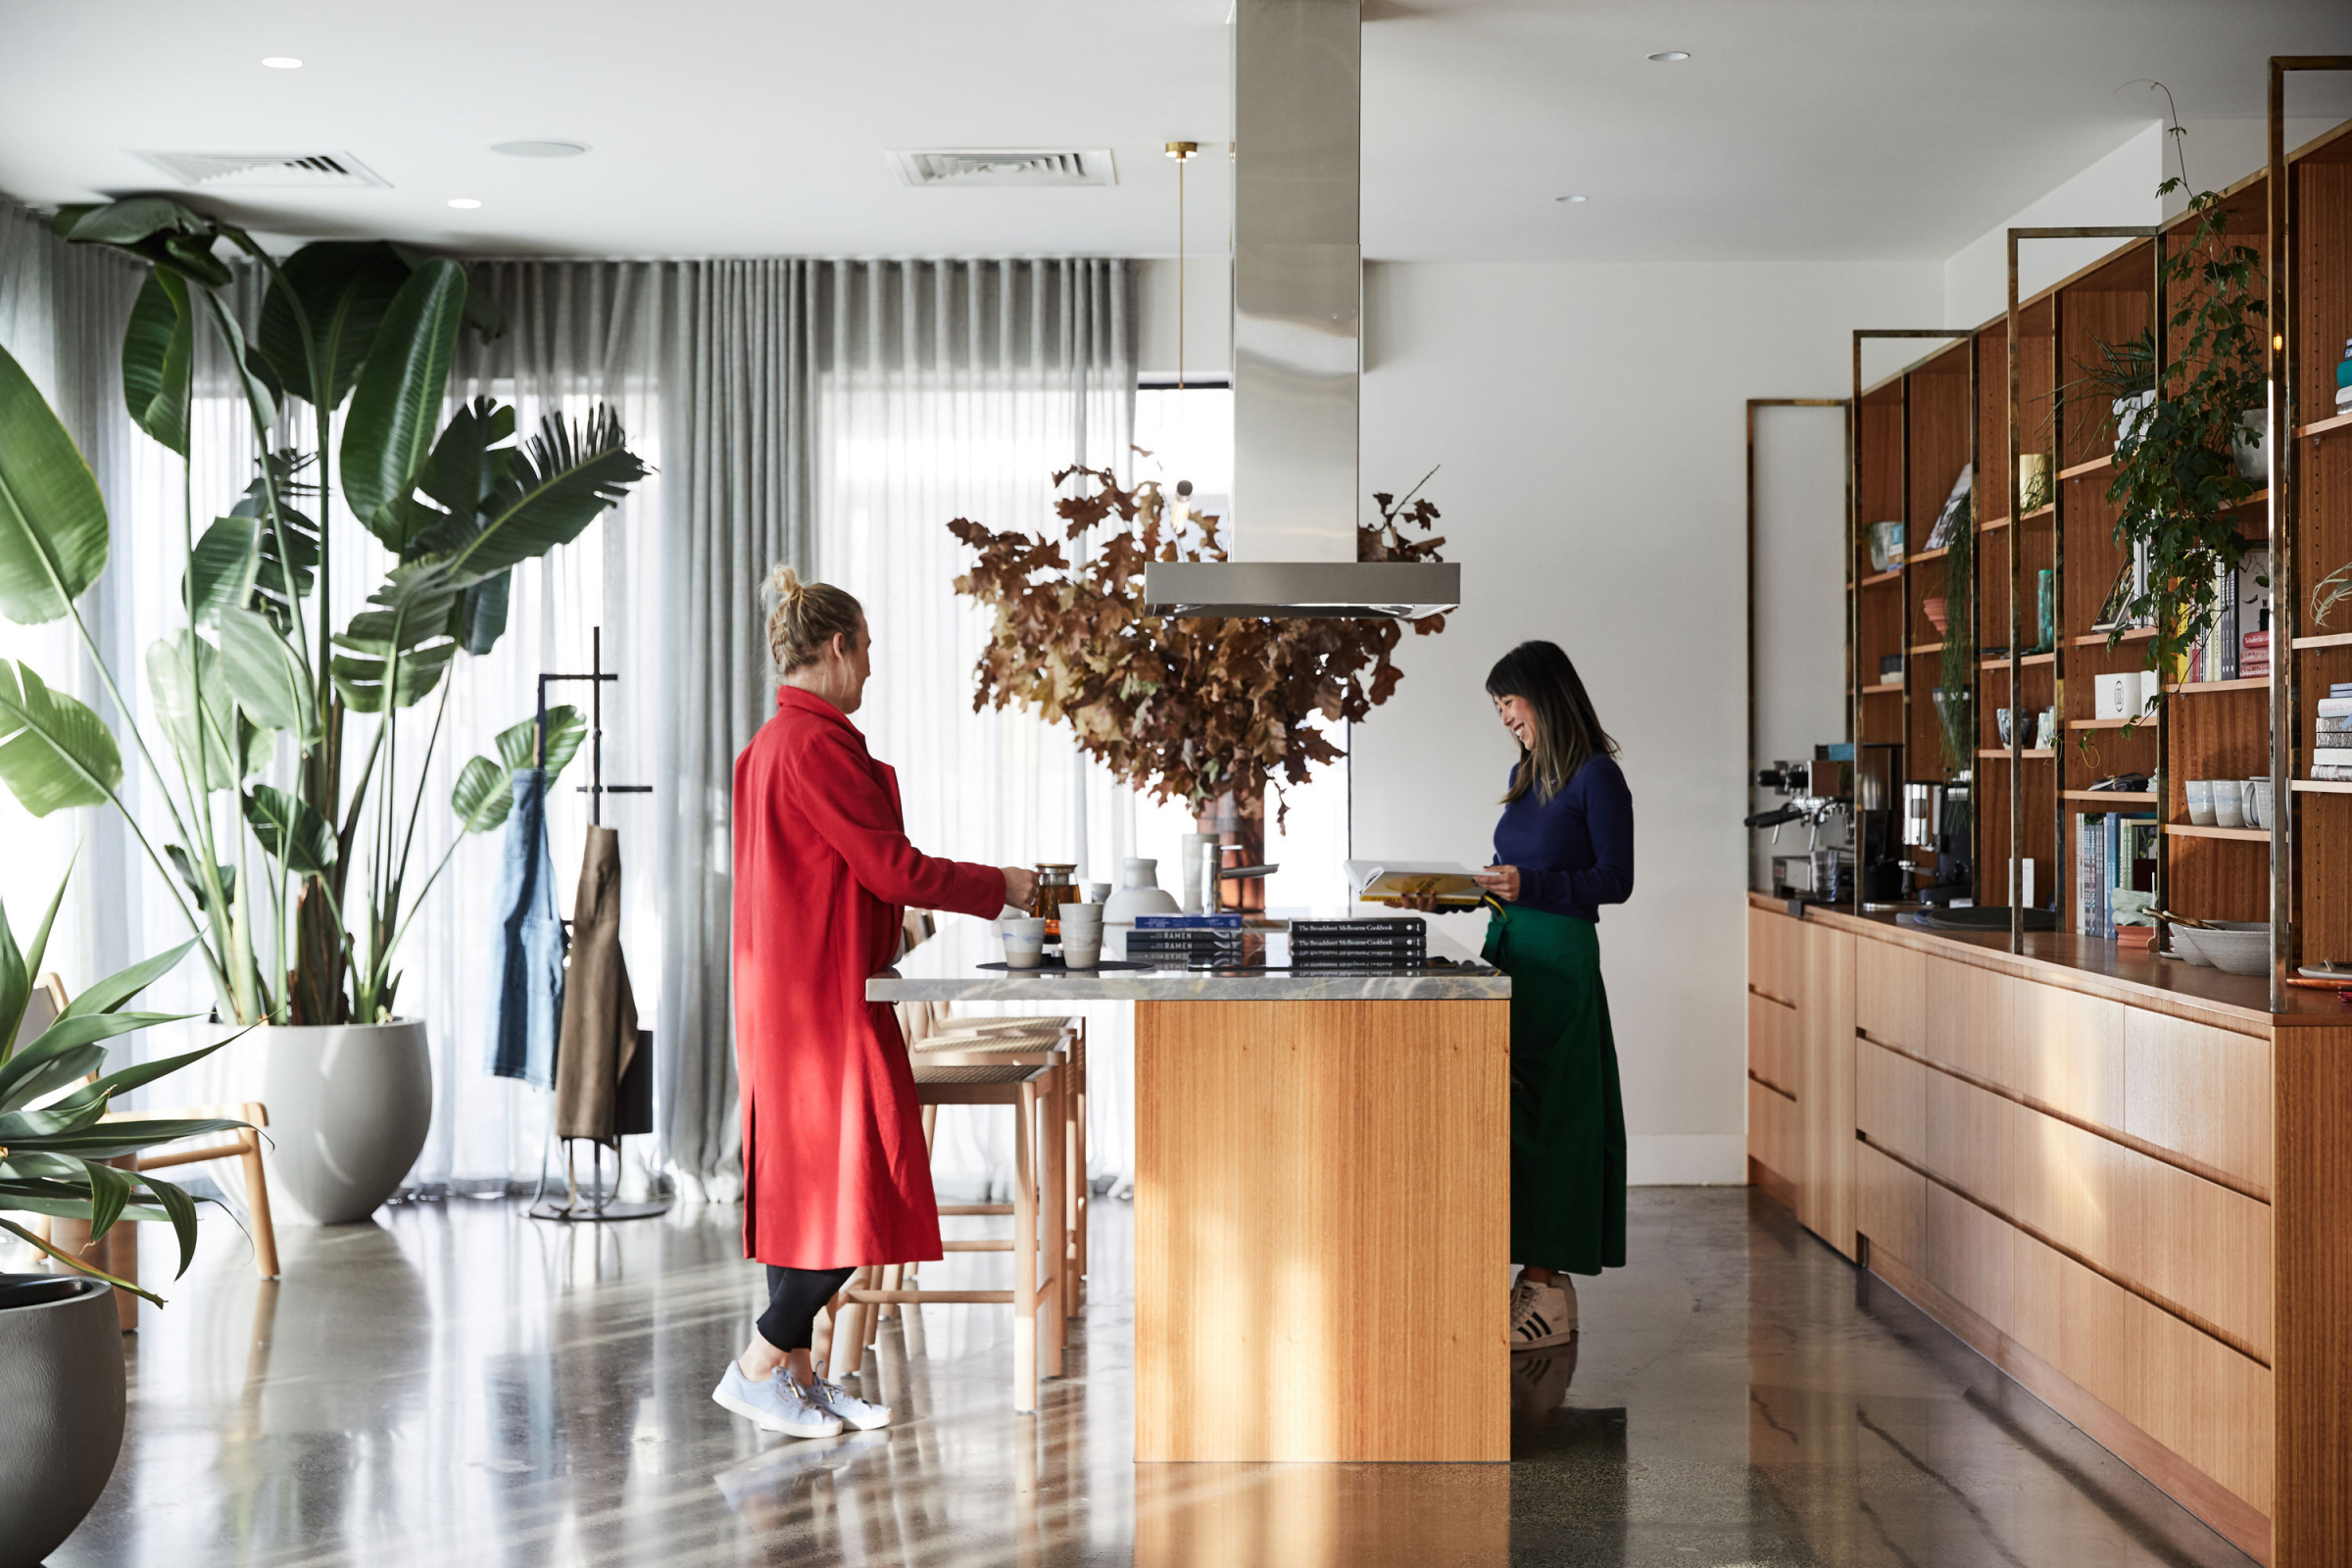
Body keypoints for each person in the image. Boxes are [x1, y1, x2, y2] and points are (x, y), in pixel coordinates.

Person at [714, 566, 1040, 1440]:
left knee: (804, 1201)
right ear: (837, 647)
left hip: (785, 997)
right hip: (821, 1003)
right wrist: (1001, 885)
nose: (871, 672)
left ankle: (798, 1379)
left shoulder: (767, 747)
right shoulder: (813, 748)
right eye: (867, 652)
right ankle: (755, 1367)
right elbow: (891, 867)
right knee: (856, 1192)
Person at [1408, 639, 1633, 1351]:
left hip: (1560, 961)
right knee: (1510, 1115)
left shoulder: (1599, 778)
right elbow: (1513, 873)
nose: (1504, 717)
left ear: (1543, 694)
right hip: (1511, 951)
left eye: (1509, 701)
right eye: (1498, 706)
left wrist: (1529, 887)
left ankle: (1541, 1282)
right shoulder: (1526, 772)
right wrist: (1451, 897)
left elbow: (1615, 881)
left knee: (1554, 1119)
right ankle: (1543, 1286)